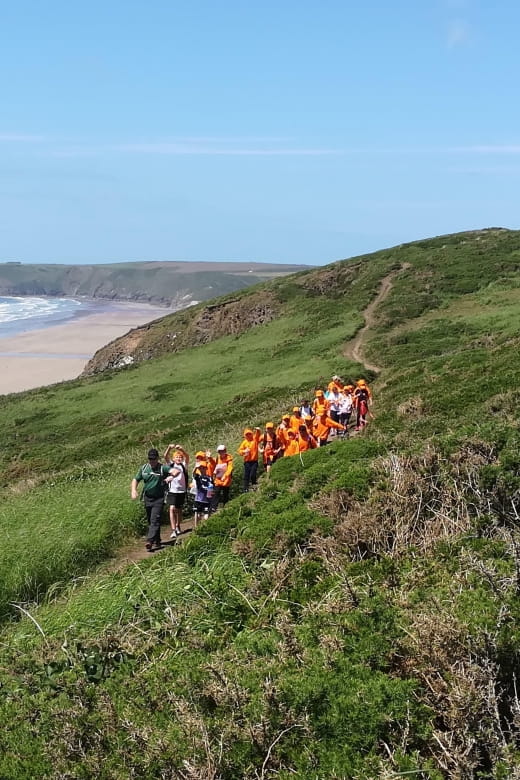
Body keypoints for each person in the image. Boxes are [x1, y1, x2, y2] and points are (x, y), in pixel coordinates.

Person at [131, 448, 170, 552]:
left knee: (154, 520)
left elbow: (174, 471)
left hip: (159, 498)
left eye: (154, 459)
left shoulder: (162, 468)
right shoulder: (144, 468)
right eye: (150, 459)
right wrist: (133, 490)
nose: (152, 461)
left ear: (157, 458)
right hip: (148, 498)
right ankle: (157, 540)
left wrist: (171, 476)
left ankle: (149, 541)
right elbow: (136, 479)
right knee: (151, 521)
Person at [164, 449, 189, 539]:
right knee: (172, 508)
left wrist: (181, 449)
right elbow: (165, 456)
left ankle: (178, 525)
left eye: (180, 457)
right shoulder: (171, 465)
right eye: (176, 457)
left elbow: (187, 457)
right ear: (173, 459)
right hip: (172, 491)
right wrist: (169, 448)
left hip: (181, 491)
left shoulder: (184, 465)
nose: (178, 458)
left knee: (179, 510)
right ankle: (173, 530)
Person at [237, 427, 262, 492]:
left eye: (249, 434)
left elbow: (258, 434)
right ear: (245, 435)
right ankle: (245, 489)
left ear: (251, 434)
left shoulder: (254, 440)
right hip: (247, 462)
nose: (248, 435)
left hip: (254, 461)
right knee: (246, 475)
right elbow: (239, 451)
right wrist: (244, 451)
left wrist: (258, 430)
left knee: (253, 474)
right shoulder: (244, 442)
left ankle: (254, 486)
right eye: (247, 434)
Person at [192, 459, 214, 526]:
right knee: (197, 515)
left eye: (203, 468)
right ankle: (196, 528)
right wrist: (196, 467)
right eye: (200, 468)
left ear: (206, 468)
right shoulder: (198, 476)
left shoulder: (209, 478)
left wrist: (212, 492)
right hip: (198, 499)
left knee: (206, 516)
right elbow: (193, 474)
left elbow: (212, 487)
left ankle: (205, 528)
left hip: (207, 500)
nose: (202, 469)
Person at [212, 444, 234, 510]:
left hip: (226, 479)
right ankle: (214, 507)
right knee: (216, 492)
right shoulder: (217, 458)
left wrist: (225, 475)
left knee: (225, 493)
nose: (221, 453)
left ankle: (225, 506)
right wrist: (209, 458)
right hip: (218, 479)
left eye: (222, 451)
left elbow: (230, 468)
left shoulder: (229, 458)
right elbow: (213, 464)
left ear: (225, 450)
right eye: (219, 451)